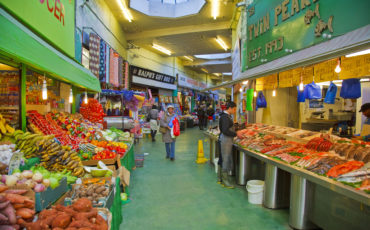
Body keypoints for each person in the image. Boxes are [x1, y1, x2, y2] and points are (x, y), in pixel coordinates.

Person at [218, 101, 237, 188]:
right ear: (230, 108)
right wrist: (236, 134)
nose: (235, 111)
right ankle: (225, 181)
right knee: (225, 159)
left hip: (225, 140)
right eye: (234, 109)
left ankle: (219, 178)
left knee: (222, 158)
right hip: (225, 140)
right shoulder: (225, 117)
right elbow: (225, 130)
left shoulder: (226, 116)